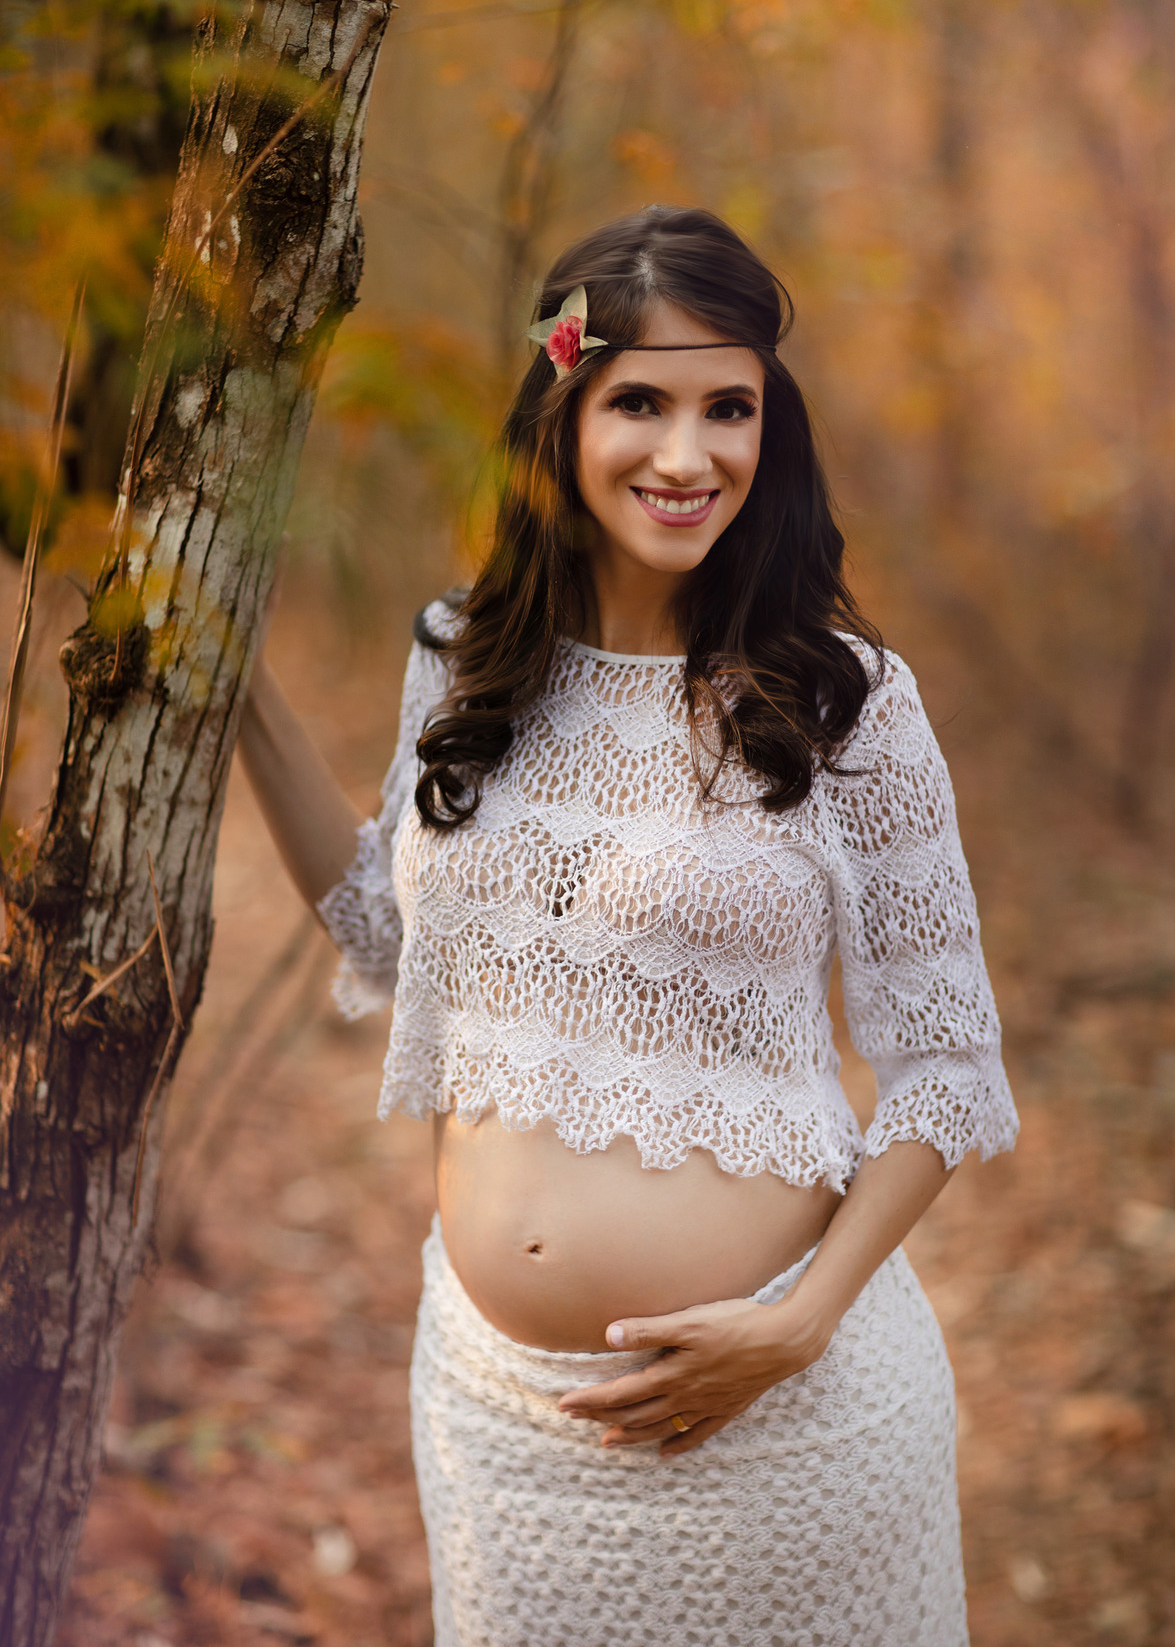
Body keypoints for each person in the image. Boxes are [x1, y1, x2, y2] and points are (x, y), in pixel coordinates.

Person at [239, 206, 1019, 1647]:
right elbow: (402, 944)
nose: (687, 454)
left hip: (787, 1425)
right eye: (640, 402)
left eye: (729, 408)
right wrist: (226, 677)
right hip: (500, 1427)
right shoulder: (461, 662)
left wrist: (802, 1325)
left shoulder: (846, 699)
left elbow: (948, 1064)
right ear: (563, 410)